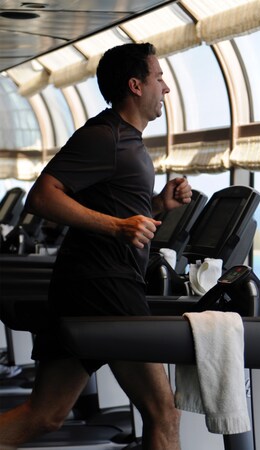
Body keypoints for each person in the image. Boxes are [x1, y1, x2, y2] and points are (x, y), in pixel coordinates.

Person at [0, 43, 186, 449]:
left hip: (89, 284)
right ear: (135, 85)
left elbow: (113, 208)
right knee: (163, 414)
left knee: (45, 415)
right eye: (159, 78)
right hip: (107, 285)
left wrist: (158, 205)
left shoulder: (127, 142)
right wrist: (118, 227)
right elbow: (42, 197)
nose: (166, 89)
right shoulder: (104, 136)